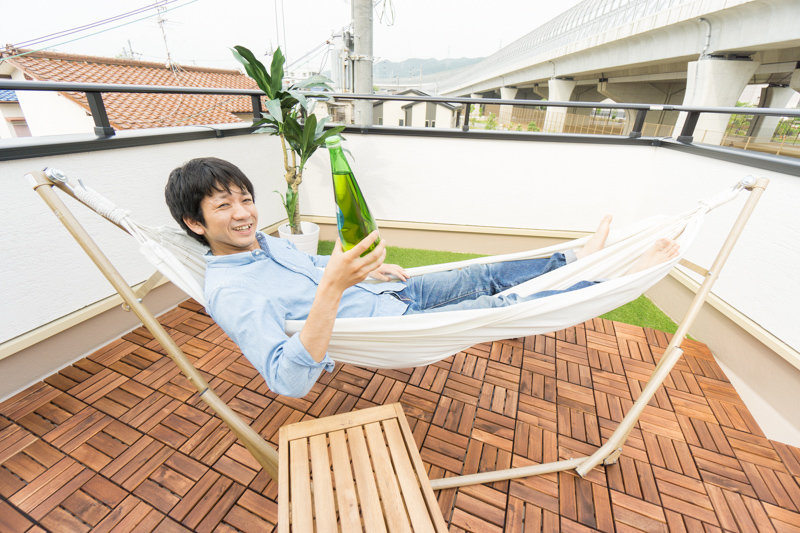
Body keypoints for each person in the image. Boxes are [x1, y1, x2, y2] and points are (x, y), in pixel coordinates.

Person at [165, 157, 679, 398]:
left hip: (392, 293)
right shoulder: (230, 292)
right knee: (503, 308)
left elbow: (313, 269)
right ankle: (615, 280)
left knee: (483, 272)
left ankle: (576, 260)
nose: (243, 212)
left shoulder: (265, 242)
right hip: (395, 327)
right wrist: (336, 286)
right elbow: (287, 380)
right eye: (223, 205)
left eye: (245, 198)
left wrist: (366, 271)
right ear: (195, 223)